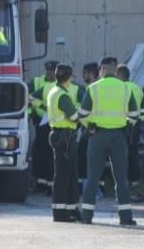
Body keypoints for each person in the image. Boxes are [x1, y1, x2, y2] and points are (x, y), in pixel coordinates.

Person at [78, 56, 139, 226]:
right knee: (121, 178)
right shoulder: (125, 88)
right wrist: (126, 126)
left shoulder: (93, 88)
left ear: (101, 69)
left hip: (97, 136)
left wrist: (89, 127)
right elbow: (135, 116)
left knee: (92, 177)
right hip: (119, 137)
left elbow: (82, 115)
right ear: (115, 69)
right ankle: (126, 218)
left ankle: (87, 216)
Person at [46, 64, 82, 222]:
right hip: (65, 136)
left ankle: (71, 209)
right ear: (69, 78)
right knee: (64, 176)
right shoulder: (63, 95)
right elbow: (74, 117)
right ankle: (61, 213)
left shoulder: (53, 91)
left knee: (68, 174)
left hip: (60, 135)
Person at [116, 63, 144, 197]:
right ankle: (135, 182)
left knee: (120, 154)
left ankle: (123, 183)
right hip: (136, 125)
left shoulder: (118, 88)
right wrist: (142, 126)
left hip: (122, 124)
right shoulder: (137, 88)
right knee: (133, 154)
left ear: (119, 75)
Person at [29, 60, 58, 191]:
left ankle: (49, 184)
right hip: (41, 122)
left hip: (55, 123)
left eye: (53, 70)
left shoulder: (61, 84)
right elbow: (28, 96)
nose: (50, 73)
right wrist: (41, 107)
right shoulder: (37, 82)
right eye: (48, 70)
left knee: (51, 154)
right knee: (39, 153)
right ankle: (40, 183)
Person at [78, 62, 100, 196]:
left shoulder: (92, 89)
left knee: (87, 160)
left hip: (91, 130)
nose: (83, 76)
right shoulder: (97, 88)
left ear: (90, 73)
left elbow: (86, 112)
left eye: (84, 73)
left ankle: (90, 190)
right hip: (95, 129)